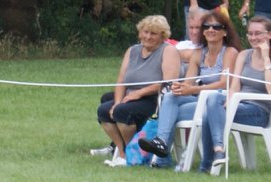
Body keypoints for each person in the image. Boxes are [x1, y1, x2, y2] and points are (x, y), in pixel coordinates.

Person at [141, 11, 231, 170]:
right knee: (170, 97)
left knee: (169, 112)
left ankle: (162, 158)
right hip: (198, 101)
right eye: (207, 26)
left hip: (217, 104)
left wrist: (193, 88)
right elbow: (189, 83)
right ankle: (162, 142)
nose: (211, 29)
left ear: (225, 32)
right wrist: (180, 87)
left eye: (216, 27)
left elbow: (224, 84)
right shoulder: (198, 54)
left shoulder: (230, 52)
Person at [94, 14, 170, 165]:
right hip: (130, 97)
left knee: (122, 112)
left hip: (155, 99)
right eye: (145, 32)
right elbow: (121, 81)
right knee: (104, 110)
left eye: (153, 33)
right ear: (140, 33)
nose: (148, 36)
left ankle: (132, 155)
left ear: (162, 36)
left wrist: (139, 93)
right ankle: (123, 153)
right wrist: (117, 102)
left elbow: (168, 82)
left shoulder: (168, 51)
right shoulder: (132, 50)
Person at [211, 14, 271, 173]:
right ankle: (217, 152)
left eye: (258, 33)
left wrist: (266, 58)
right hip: (238, 104)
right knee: (213, 100)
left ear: (269, 35)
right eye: (250, 33)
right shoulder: (244, 55)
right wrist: (230, 102)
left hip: (259, 112)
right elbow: (235, 85)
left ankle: (212, 158)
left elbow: (270, 90)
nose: (253, 37)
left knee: (211, 111)